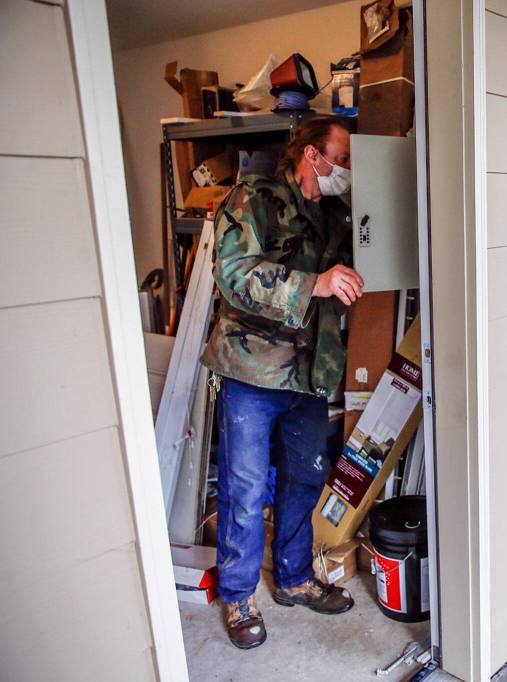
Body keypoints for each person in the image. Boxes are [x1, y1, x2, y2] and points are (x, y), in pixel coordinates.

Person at [200, 117, 364, 649]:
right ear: (311, 154)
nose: (345, 168)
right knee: (245, 489)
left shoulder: (336, 214)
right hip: (253, 368)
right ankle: (240, 595)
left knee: (305, 478)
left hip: (311, 372)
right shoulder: (255, 196)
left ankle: (293, 578)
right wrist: (314, 283)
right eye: (339, 156)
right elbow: (233, 274)